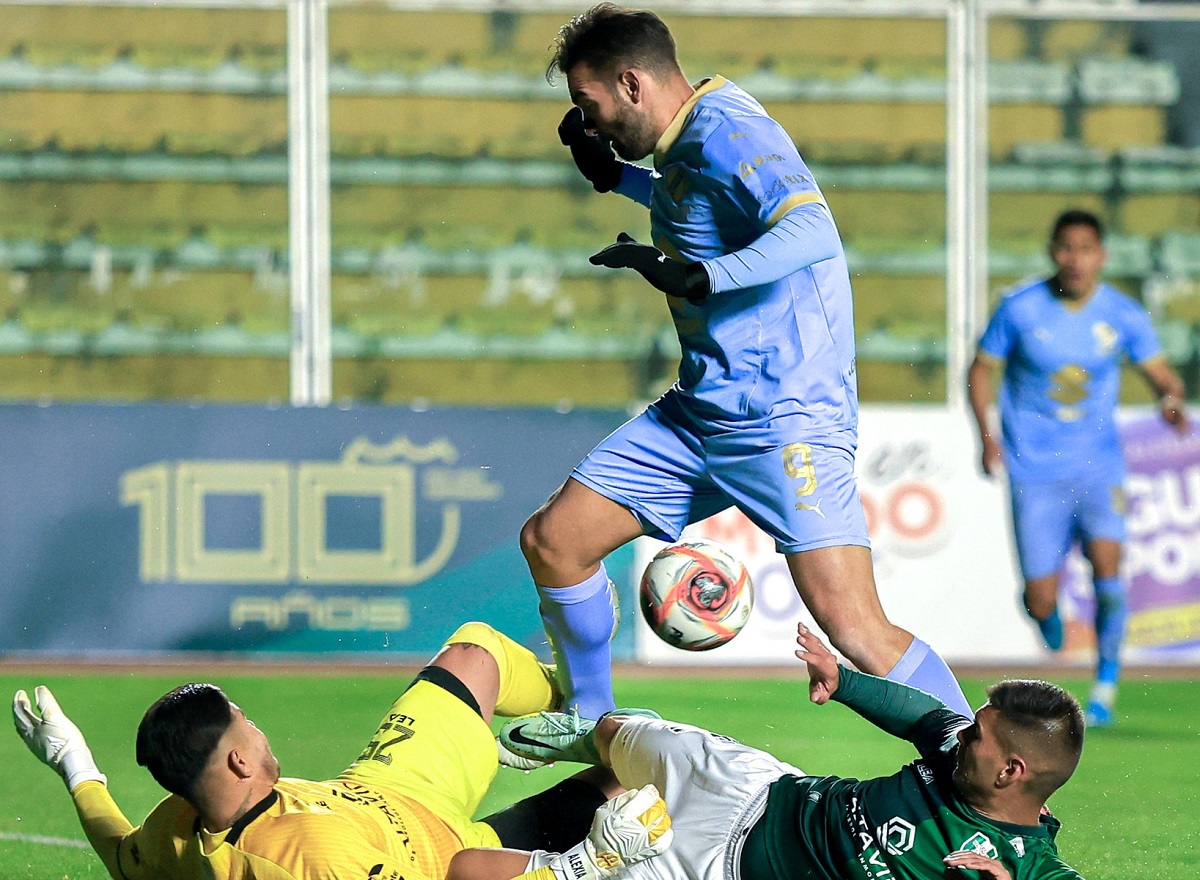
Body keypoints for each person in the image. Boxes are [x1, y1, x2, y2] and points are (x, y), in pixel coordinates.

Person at [521, 3, 972, 729]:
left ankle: (981, 784)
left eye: (590, 106)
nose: (589, 122)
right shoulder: (685, 143)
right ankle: (589, 719)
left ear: (632, 82)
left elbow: (810, 226)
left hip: (783, 417)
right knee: (554, 541)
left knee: (854, 628)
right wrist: (619, 179)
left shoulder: (732, 129)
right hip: (702, 411)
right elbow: (697, 196)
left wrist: (702, 278)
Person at [11, 621, 673, 880]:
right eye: (248, 726)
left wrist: (75, 765)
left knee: (477, 653)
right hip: (454, 854)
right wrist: (590, 861)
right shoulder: (306, 859)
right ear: (240, 761)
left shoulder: (176, 827)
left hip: (389, 787)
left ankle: (585, 721)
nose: (259, 731)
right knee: (635, 796)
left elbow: (118, 851)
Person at [458, 623, 1086, 880]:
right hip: (750, 786)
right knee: (616, 732)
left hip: (713, 872)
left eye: (979, 736)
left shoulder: (1029, 864)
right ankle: (582, 736)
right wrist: (845, 683)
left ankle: (576, 862)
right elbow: (926, 714)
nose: (963, 736)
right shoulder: (955, 751)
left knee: (472, 871)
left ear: (1011, 770)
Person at [967, 208, 1187, 727]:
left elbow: (1159, 373)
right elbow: (980, 370)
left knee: (1109, 569)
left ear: (1101, 256)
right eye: (1066, 248)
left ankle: (1106, 685)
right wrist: (985, 434)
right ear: (1052, 251)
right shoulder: (1020, 308)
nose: (1075, 259)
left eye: (1086, 249)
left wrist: (1171, 398)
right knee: (1040, 599)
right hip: (1034, 472)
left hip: (1098, 466)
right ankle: (1051, 625)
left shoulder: (1123, 314)